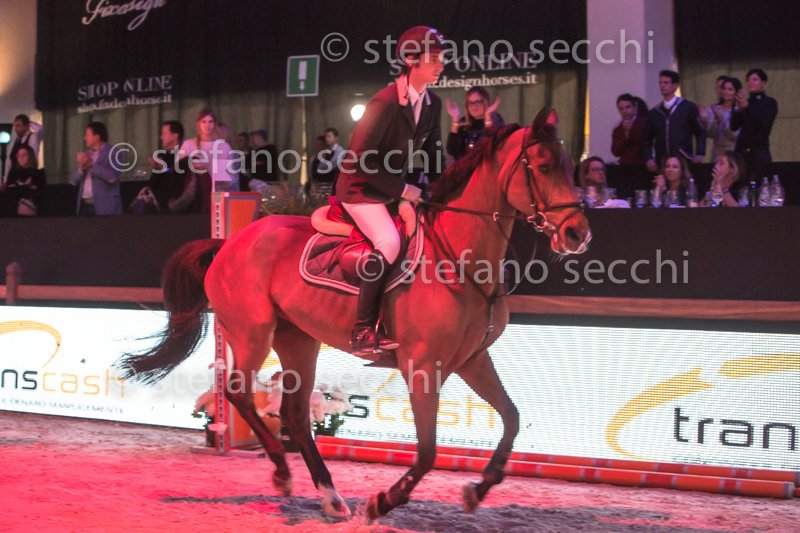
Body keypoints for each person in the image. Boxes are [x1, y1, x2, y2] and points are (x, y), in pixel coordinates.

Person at [335, 25, 444, 356]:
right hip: (360, 188)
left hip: (394, 190)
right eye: (434, 59)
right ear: (411, 60)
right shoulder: (384, 102)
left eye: (442, 58)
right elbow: (360, 159)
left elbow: (435, 155)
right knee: (390, 242)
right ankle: (363, 329)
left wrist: (442, 190)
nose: (440, 65)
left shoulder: (433, 103)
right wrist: (403, 189)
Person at [643, 70, 706, 172]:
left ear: (675, 85)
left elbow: (700, 132)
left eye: (666, 83)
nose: (662, 86)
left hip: (683, 158)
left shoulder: (687, 107)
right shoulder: (655, 112)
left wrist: (700, 153)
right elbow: (647, 139)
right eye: (660, 83)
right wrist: (649, 158)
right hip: (662, 160)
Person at [731, 68, 778, 181]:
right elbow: (733, 126)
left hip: (759, 152)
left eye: (755, 80)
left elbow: (763, 125)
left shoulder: (769, 102)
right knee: (741, 184)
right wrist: (737, 110)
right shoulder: (746, 101)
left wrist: (747, 107)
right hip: (741, 152)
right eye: (748, 80)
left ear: (763, 82)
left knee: (760, 183)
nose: (750, 82)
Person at [68, 122, 122, 216]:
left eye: (87, 135)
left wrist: (92, 165)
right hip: (84, 207)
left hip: (105, 207)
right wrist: (81, 168)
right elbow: (72, 181)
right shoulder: (87, 154)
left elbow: (113, 177)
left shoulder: (114, 152)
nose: (85, 138)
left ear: (97, 136)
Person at [179, 109, 238, 193]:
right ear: (198, 124)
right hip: (195, 195)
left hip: (217, 194)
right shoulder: (188, 145)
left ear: (215, 124)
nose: (207, 125)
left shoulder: (224, 147)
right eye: (204, 122)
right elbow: (178, 172)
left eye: (210, 122)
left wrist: (225, 180)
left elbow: (232, 176)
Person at [148, 120, 198, 213]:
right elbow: (153, 184)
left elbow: (180, 180)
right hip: (162, 206)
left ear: (175, 136)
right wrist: (157, 166)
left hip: (180, 207)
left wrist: (163, 168)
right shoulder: (163, 155)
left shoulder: (186, 155)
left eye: (164, 133)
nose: (161, 137)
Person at [445, 86, 503, 160]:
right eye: (471, 103)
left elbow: (491, 148)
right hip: (465, 166)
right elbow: (452, 151)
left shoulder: (496, 119)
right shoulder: (463, 122)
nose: (474, 106)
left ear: (485, 102)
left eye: (478, 102)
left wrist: (487, 116)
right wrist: (455, 120)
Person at [702, 77, 741, 162]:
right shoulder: (713, 109)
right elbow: (709, 134)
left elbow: (735, 136)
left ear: (736, 92)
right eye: (724, 89)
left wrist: (722, 119)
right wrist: (714, 125)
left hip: (734, 152)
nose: (726, 92)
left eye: (730, 89)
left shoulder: (739, 111)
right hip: (717, 153)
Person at [3, 145, 45, 216]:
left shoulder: (38, 173)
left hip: (34, 210)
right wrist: (27, 187)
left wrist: (17, 188)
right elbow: (9, 192)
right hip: (13, 211)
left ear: (30, 156)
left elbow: (39, 192)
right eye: (18, 155)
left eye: (24, 155)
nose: (21, 157)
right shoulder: (13, 173)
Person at [3, 114, 43, 186]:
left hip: (28, 175)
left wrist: (30, 123)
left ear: (26, 126)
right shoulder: (15, 139)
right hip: (14, 175)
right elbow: (9, 159)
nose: (16, 128)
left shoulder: (32, 137)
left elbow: (40, 129)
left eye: (18, 126)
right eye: (15, 126)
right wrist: (5, 179)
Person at [611, 93, 647, 168]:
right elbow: (615, 152)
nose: (625, 111)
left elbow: (644, 145)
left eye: (628, 107)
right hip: (624, 166)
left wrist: (631, 131)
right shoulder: (618, 129)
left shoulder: (644, 124)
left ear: (634, 108)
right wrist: (626, 134)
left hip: (641, 166)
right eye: (621, 109)